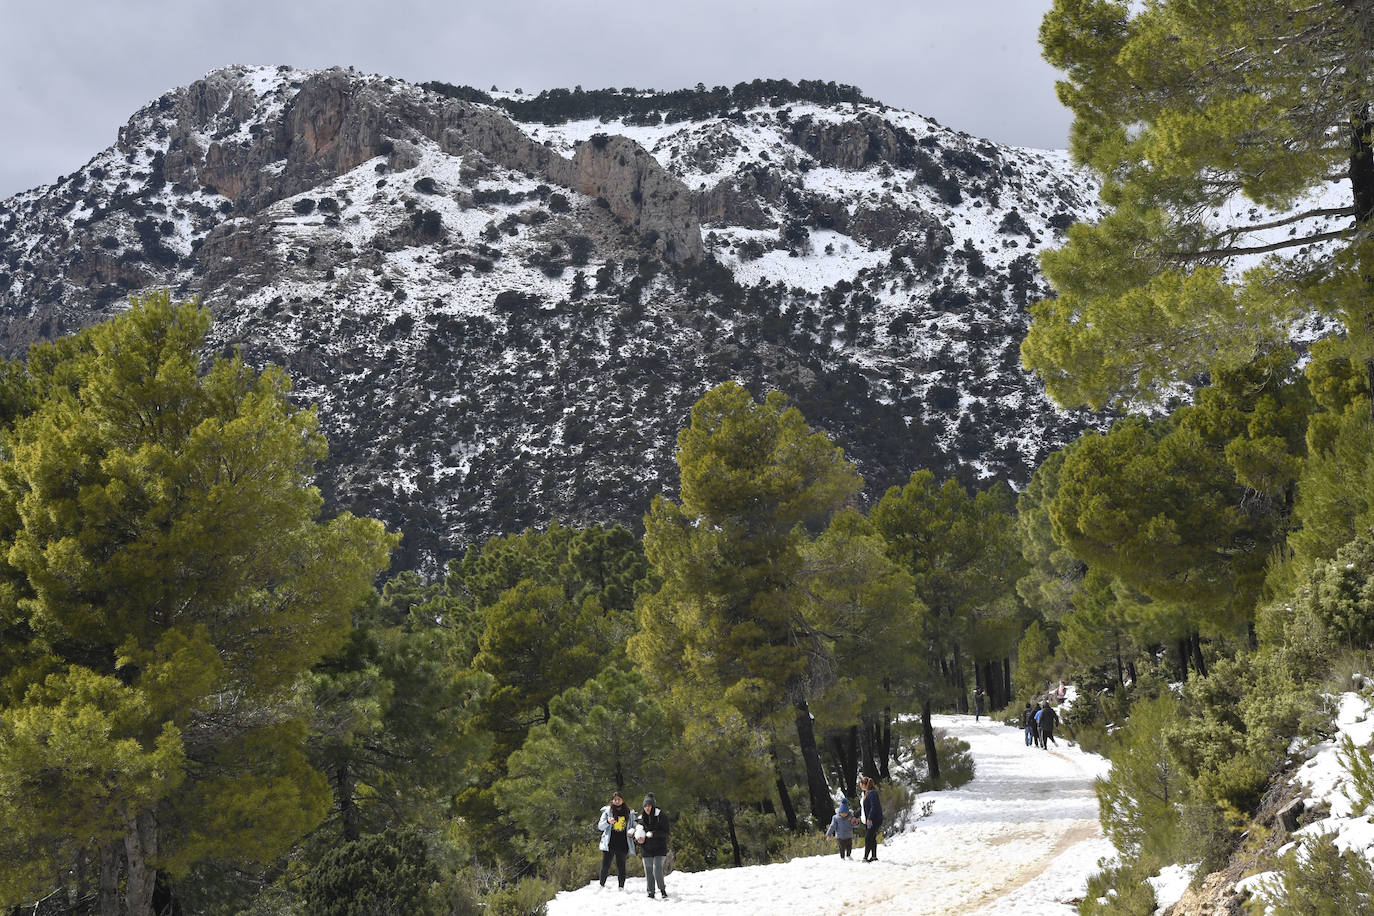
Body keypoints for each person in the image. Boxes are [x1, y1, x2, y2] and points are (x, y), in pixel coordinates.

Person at [596, 790, 636, 889]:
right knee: (605, 865)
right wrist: (608, 822)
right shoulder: (607, 812)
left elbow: (634, 826)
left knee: (621, 866)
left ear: (623, 800)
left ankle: (621, 887)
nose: (617, 801)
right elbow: (600, 826)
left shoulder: (629, 813)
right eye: (615, 799)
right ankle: (601, 885)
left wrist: (632, 831)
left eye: (619, 799)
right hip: (610, 843)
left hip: (623, 843)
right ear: (612, 801)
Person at [638, 793, 670, 899]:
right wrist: (638, 838)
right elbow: (638, 832)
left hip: (660, 848)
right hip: (646, 849)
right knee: (648, 870)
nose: (647, 808)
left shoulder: (661, 816)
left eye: (649, 806)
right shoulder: (640, 818)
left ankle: (662, 890)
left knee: (657, 869)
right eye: (645, 806)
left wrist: (654, 834)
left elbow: (666, 833)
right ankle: (651, 892)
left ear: (653, 806)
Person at [859, 776, 883, 862]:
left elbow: (874, 807)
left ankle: (865, 857)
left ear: (864, 784)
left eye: (861, 783)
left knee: (868, 838)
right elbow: (863, 808)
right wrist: (855, 816)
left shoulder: (872, 793)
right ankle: (874, 857)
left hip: (874, 820)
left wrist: (870, 818)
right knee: (872, 838)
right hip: (869, 820)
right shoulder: (866, 793)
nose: (860, 785)